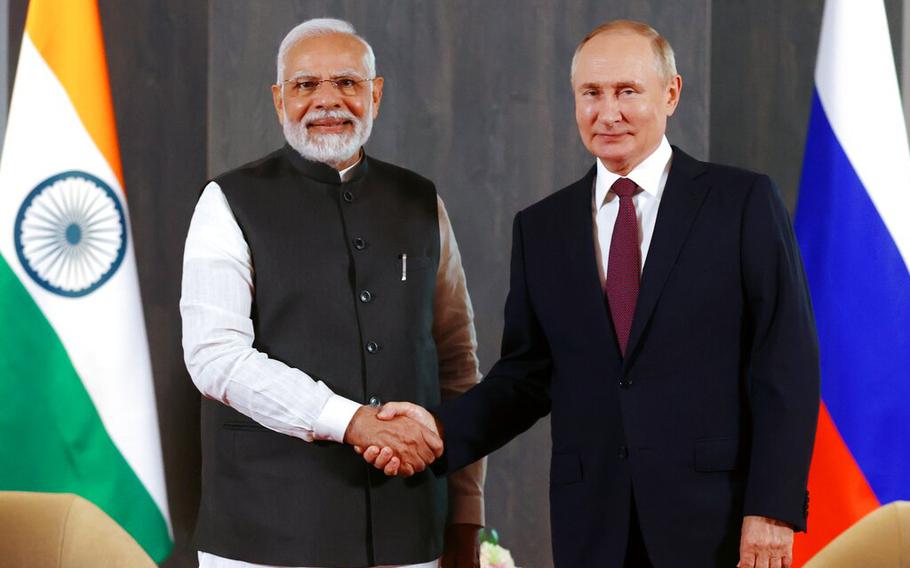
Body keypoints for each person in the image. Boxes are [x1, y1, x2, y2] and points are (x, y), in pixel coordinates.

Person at [363, 20, 820, 568]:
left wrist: (772, 508)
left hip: (717, 522)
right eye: (591, 94)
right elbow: (525, 377)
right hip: (593, 525)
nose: (608, 113)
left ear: (671, 94)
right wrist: (436, 430)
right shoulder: (542, 228)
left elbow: (785, 362)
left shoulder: (741, 202)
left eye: (628, 91)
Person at [180, 18, 485, 568]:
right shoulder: (227, 201)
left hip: (409, 533)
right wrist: (351, 420)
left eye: (347, 82)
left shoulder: (421, 202)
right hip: (265, 537)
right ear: (278, 100)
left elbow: (456, 364)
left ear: (377, 94)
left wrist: (465, 515)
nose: (328, 100)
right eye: (305, 85)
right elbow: (215, 357)